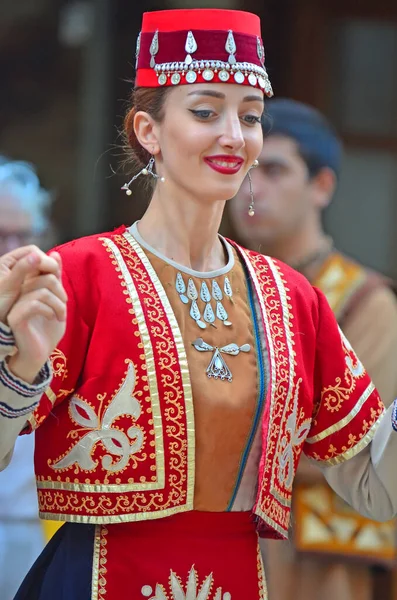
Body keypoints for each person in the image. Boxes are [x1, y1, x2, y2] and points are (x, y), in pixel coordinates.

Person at [1, 10, 397, 600]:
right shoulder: (81, 275)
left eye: (252, 116)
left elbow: (372, 484)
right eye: (206, 111)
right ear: (148, 131)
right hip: (97, 579)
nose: (235, 136)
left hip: (239, 579)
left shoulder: (292, 300)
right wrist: (17, 366)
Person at [230, 98, 397, 600]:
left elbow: (368, 441)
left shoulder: (367, 302)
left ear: (322, 186)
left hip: (318, 559)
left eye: (275, 170)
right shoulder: (219, 286)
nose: (251, 189)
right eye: (243, 170)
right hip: (220, 539)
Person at [0, 158, 58, 600]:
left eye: (25, 234)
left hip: (36, 531)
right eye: (1, 236)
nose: (16, 250)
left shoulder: (55, 312)